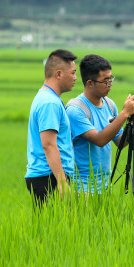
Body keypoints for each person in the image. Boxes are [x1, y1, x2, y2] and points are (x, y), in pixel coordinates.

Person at [66, 54, 134, 193]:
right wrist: (125, 113)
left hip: (106, 186)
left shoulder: (109, 104)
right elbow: (99, 140)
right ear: (90, 83)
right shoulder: (75, 110)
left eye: (111, 79)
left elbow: (119, 142)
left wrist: (130, 129)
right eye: (105, 80)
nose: (110, 84)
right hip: (82, 188)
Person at [24, 49, 78, 204]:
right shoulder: (49, 102)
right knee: (53, 226)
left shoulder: (48, 98)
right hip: (48, 178)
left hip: (48, 176)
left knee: (50, 226)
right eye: (73, 73)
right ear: (59, 74)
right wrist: (61, 182)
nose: (75, 78)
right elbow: (48, 144)